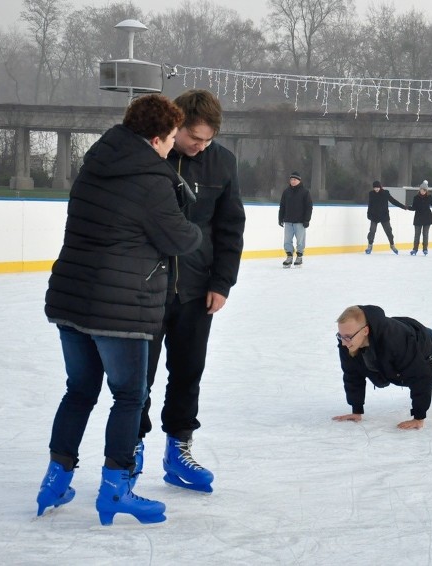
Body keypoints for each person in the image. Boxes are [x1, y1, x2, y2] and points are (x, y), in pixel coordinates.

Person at [38, 94, 203, 525]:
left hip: (72, 298)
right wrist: (194, 223)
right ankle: (115, 489)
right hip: (121, 306)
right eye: (169, 139)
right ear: (154, 138)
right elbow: (181, 239)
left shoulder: (97, 163)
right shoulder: (150, 178)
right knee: (130, 396)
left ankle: (55, 480)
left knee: (79, 391)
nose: (171, 147)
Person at [137, 89, 246, 494]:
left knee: (188, 373)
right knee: (138, 378)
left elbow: (230, 227)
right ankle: (130, 449)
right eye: (194, 138)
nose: (201, 147)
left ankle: (178, 448)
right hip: (146, 289)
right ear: (174, 125)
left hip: (198, 291)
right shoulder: (150, 155)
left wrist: (222, 283)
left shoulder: (223, 162)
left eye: (208, 140)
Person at [278, 171, 313, 267]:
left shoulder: (305, 192)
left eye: (294, 179)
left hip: (300, 222)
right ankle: (289, 257)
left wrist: (307, 220)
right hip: (288, 221)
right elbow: (282, 206)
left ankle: (299, 257)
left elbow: (309, 207)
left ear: (299, 180)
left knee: (300, 241)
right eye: (291, 179)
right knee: (287, 241)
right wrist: (280, 218)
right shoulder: (286, 192)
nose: (292, 181)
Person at [365, 180, 407, 254]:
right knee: (372, 231)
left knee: (388, 231)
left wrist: (403, 206)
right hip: (374, 216)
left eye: (377, 187)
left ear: (380, 187)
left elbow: (393, 201)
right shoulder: (371, 194)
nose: (376, 189)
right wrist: (368, 214)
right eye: (375, 188)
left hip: (384, 216)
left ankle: (392, 245)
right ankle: (369, 246)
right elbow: (370, 204)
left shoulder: (385, 193)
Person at [408, 180, 432, 256]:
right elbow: (414, 207)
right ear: (419, 189)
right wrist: (407, 207)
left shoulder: (429, 197)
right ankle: (415, 249)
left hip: (427, 218)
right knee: (417, 234)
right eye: (421, 190)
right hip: (418, 218)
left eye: (424, 190)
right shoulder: (416, 198)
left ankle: (425, 249)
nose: (422, 191)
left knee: (425, 234)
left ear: (426, 191)